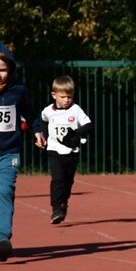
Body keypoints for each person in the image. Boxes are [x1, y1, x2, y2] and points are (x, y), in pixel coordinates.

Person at [0, 43, 44, 261]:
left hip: (8, 154)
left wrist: (37, 130)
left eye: (2, 70)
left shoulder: (18, 90)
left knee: (4, 193)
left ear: (10, 70)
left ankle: (2, 240)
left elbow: (30, 113)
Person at [41, 75, 93, 224]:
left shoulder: (76, 110)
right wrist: (43, 137)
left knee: (68, 181)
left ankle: (64, 202)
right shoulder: (48, 111)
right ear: (54, 95)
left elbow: (88, 125)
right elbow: (43, 121)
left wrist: (76, 134)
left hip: (71, 152)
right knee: (57, 179)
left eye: (69, 97)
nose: (66, 100)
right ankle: (56, 209)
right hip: (54, 150)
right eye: (63, 97)